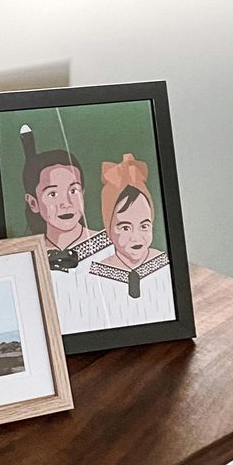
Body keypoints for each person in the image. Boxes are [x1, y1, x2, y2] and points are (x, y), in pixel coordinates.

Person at [19, 125, 108, 333]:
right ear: (33, 203)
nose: (66, 203)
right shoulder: (27, 258)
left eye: (73, 190)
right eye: (52, 194)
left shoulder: (111, 247)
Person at [89, 155, 175, 325]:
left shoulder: (164, 265)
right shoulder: (98, 275)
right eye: (125, 228)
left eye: (144, 226)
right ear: (109, 229)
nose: (136, 237)